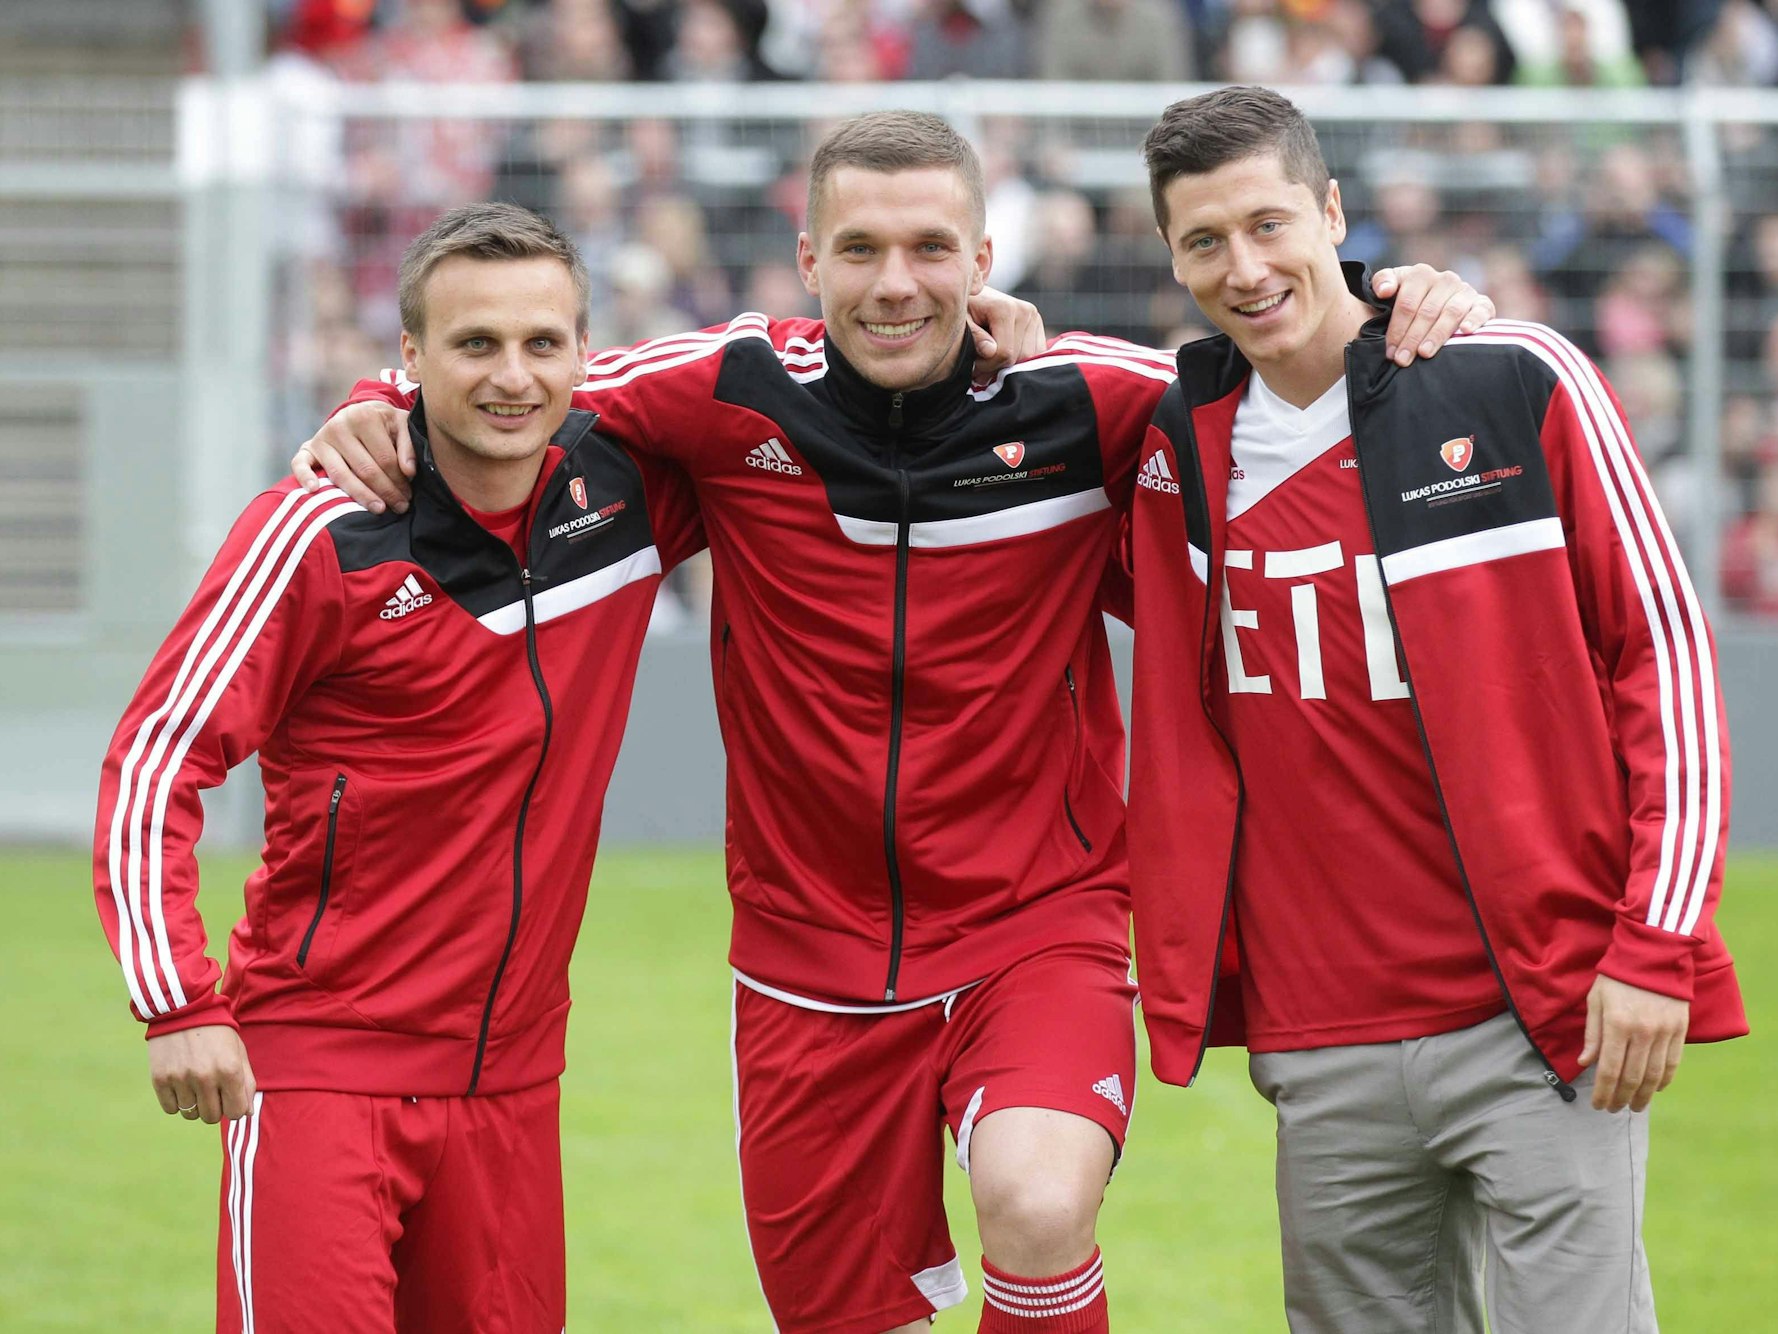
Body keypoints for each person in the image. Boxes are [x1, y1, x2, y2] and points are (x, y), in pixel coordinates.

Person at [295, 111, 1490, 1334]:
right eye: (859, 249)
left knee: (1034, 1198)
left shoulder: (1089, 401)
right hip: (801, 963)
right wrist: (374, 400)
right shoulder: (722, 392)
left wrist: (1405, 296)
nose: (895, 282)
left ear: (982, 261)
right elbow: (517, 368)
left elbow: (1285, 375)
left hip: (1037, 919)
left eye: (929, 248)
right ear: (808, 261)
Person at [1125, 85, 1746, 1332]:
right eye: (1202, 241)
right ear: (1170, 256)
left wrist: (1654, 942)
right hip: (1323, 1030)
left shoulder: (1512, 377)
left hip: (1542, 1008)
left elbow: (1662, 660)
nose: (1243, 268)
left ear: (1333, 212)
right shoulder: (1161, 441)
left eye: (1268, 223)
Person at [93, 202, 704, 1331]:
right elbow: (156, 759)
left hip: (515, 1080)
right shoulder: (321, 532)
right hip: (322, 1063)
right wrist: (176, 1001)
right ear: (410, 356)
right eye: (473, 344)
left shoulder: (627, 493)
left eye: (541, 343)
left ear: (584, 351)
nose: (511, 376)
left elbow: (786, 379)